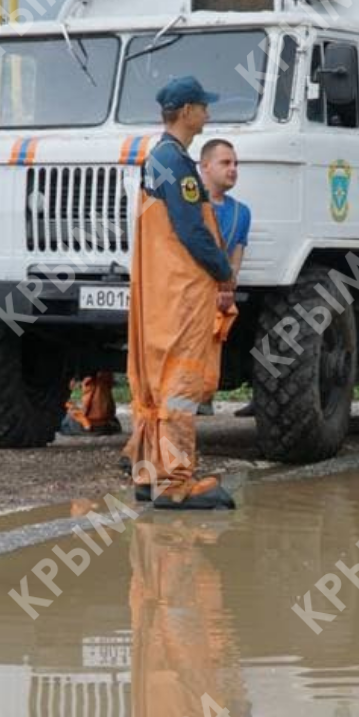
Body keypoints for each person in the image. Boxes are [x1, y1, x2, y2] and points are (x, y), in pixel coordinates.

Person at [124, 76, 237, 510]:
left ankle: (148, 474)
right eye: (204, 107)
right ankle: (175, 483)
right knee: (180, 382)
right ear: (187, 111)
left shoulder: (158, 160)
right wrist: (224, 271)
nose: (208, 114)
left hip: (161, 292)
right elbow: (192, 230)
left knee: (156, 383)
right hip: (183, 292)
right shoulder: (175, 164)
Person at [199, 138, 254, 415]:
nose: (233, 169)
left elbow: (237, 253)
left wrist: (228, 287)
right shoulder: (191, 207)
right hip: (191, 295)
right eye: (225, 163)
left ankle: (203, 397)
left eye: (235, 163)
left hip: (218, 297)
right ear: (205, 166)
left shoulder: (241, 212)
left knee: (212, 353)